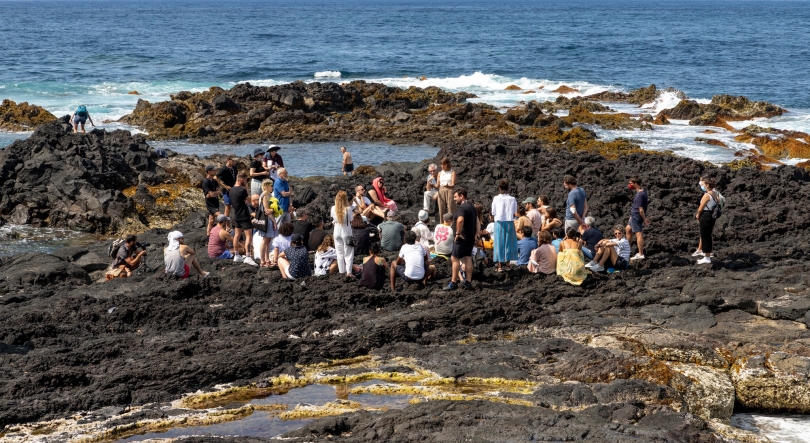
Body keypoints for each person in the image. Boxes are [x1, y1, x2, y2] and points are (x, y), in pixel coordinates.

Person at [444, 188, 477, 291]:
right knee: (468, 258)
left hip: (461, 237)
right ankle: (468, 281)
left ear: (461, 196)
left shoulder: (462, 207)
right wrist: (476, 233)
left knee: (454, 258)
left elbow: (460, 220)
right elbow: (477, 221)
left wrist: (457, 233)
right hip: (470, 237)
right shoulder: (472, 206)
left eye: (455, 197)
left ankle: (453, 282)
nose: (454, 199)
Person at [491, 179, 518, 272]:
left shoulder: (496, 198)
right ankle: (508, 265)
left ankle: (499, 266)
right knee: (509, 243)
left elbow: (493, 212)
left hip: (499, 222)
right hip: (509, 221)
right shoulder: (512, 199)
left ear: (499, 188)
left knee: (499, 243)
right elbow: (515, 212)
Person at [331, 190, 356, 278]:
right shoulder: (348, 209)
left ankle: (342, 271)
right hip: (346, 231)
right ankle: (349, 272)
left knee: (339, 253)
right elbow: (351, 219)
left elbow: (334, 219)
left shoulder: (333, 208)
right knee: (348, 253)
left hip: (336, 231)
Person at [694, 176, 719, 265]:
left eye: (703, 184)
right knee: (708, 235)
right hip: (711, 215)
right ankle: (708, 254)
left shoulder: (707, 195)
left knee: (705, 236)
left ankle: (707, 257)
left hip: (706, 215)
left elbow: (700, 208)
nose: (701, 186)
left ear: (707, 185)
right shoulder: (714, 193)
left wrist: (698, 215)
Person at [229, 174, 252, 263]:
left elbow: (240, 200)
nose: (246, 181)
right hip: (244, 215)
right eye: (245, 180)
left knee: (237, 235)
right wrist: (246, 187)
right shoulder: (242, 190)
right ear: (241, 179)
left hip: (236, 215)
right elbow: (249, 199)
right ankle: (248, 256)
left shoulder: (231, 189)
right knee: (248, 236)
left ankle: (237, 255)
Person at [625, 176, 650, 261]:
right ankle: (627, 250)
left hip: (637, 216)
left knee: (638, 233)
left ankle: (640, 253)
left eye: (631, 183)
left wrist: (644, 219)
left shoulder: (639, 195)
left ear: (635, 184)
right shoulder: (642, 191)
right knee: (628, 229)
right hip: (633, 215)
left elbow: (641, 209)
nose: (629, 185)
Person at [258, 179, 279, 267]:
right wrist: (274, 221)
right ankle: (262, 260)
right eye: (271, 185)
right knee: (265, 240)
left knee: (268, 240)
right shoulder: (265, 195)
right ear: (266, 185)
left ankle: (267, 259)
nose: (272, 187)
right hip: (267, 220)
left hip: (269, 219)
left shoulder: (269, 194)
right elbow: (266, 211)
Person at [202, 165, 222, 236]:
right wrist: (214, 193)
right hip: (210, 204)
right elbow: (211, 194)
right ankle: (220, 235)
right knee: (222, 218)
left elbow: (220, 191)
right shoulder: (206, 181)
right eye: (213, 170)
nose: (215, 171)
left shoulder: (214, 181)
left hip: (216, 202)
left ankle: (208, 236)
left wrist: (213, 193)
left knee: (211, 220)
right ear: (209, 171)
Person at [436, 158, 456, 223]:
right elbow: (437, 185)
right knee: (441, 209)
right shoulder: (439, 173)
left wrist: (447, 186)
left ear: (447, 164)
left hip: (449, 190)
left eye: (444, 164)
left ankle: (452, 225)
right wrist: (432, 185)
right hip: (441, 190)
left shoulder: (452, 172)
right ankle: (442, 224)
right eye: (441, 164)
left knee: (451, 208)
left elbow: (453, 185)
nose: (442, 166)